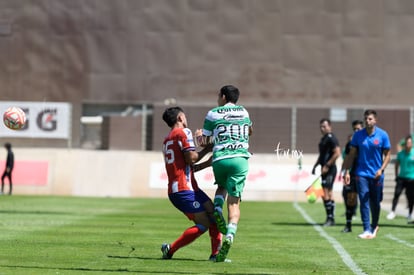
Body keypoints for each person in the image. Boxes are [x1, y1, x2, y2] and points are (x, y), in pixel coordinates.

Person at [199, 85, 252, 262]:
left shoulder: (213, 113)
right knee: (234, 203)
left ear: (222, 96)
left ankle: (216, 208)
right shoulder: (244, 112)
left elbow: (205, 141)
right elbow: (249, 131)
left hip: (220, 158)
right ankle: (230, 235)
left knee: (221, 186)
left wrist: (200, 136)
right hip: (240, 159)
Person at [160, 106, 222, 260]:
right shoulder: (183, 132)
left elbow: (188, 165)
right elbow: (192, 158)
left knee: (214, 215)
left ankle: (215, 255)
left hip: (188, 188)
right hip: (183, 190)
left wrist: (207, 161)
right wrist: (207, 147)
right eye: (185, 117)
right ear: (180, 118)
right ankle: (170, 250)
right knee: (204, 224)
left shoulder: (167, 139)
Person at [343, 109, 391, 239]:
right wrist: (347, 171)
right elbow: (351, 154)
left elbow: (387, 155)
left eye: (370, 119)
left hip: (377, 174)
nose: (367, 121)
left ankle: (374, 225)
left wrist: (381, 169)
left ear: (375, 120)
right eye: (366, 119)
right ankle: (366, 229)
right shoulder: (358, 136)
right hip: (361, 173)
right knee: (363, 199)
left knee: (375, 202)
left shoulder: (383, 135)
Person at [312, 119, 341, 226]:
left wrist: (327, 165)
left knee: (325, 192)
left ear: (330, 126)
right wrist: (316, 165)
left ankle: (330, 218)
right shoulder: (323, 139)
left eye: (324, 126)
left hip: (330, 169)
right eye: (321, 126)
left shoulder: (331, 138)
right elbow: (322, 155)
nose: (322, 128)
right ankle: (331, 217)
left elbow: (337, 153)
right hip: (324, 169)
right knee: (328, 193)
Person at [341, 120, 363, 233]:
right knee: (350, 198)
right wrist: (346, 172)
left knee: (366, 200)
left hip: (365, 174)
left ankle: (369, 227)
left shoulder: (366, 142)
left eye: (358, 129)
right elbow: (347, 159)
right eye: (354, 129)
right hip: (353, 174)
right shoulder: (349, 144)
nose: (356, 131)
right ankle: (348, 225)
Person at [391, 135, 414, 223]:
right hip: (401, 177)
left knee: (410, 197)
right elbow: (397, 165)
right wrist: (396, 175)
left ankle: (410, 213)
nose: (408, 144)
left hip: (412, 178)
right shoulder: (401, 153)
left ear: (412, 144)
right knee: (396, 194)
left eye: (410, 143)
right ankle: (392, 212)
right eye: (407, 143)